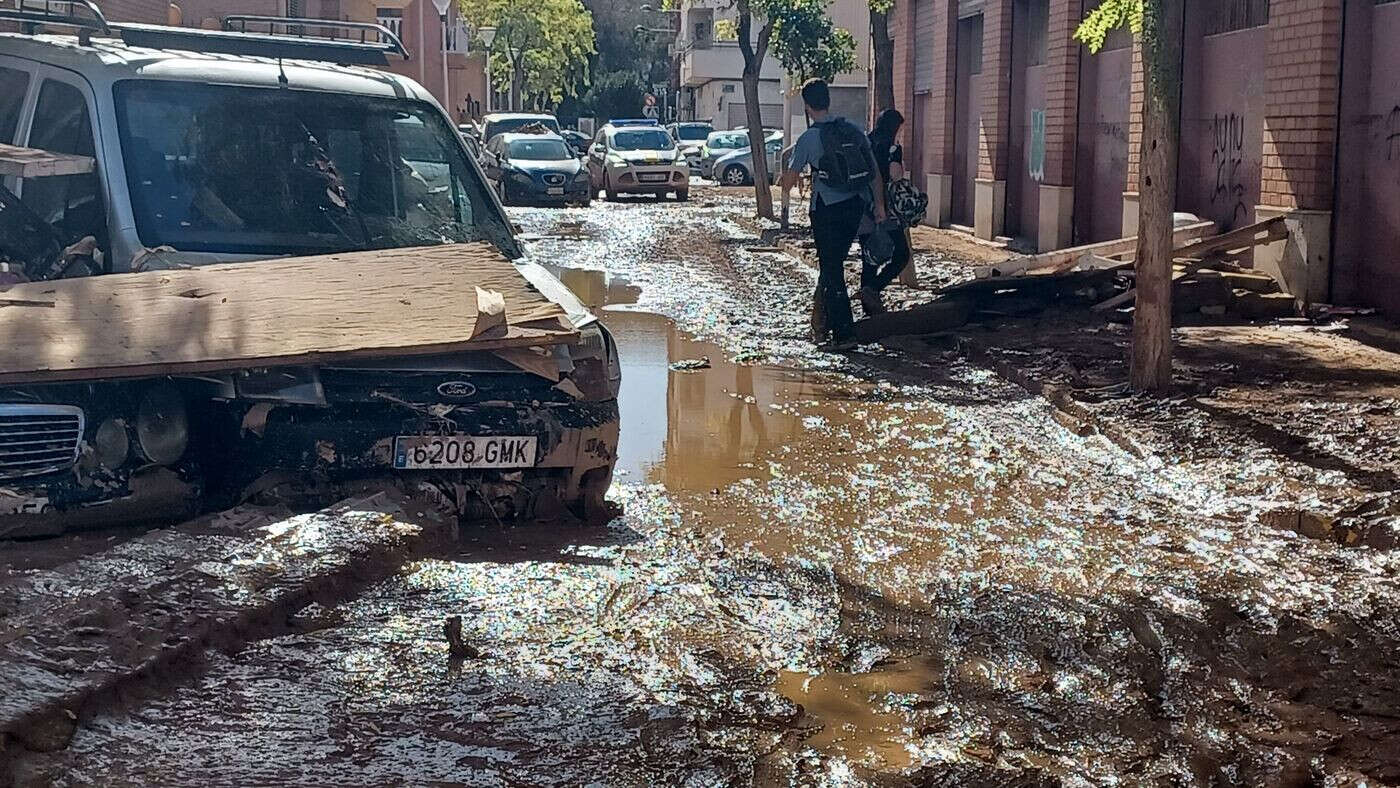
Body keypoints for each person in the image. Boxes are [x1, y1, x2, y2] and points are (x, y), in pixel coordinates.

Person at [780, 78, 886, 351]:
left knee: (832, 269)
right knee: (832, 266)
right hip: (855, 207)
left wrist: (792, 176)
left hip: (826, 210)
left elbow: (788, 180)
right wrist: (880, 208)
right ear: (828, 100)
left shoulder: (809, 138)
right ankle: (821, 324)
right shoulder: (852, 130)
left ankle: (843, 334)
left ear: (806, 106)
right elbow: (874, 173)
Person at [859, 108, 911, 316]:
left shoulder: (865, 142)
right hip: (885, 209)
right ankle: (873, 290)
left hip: (863, 208)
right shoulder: (891, 148)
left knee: (870, 258)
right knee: (901, 254)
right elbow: (895, 175)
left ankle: (868, 309)